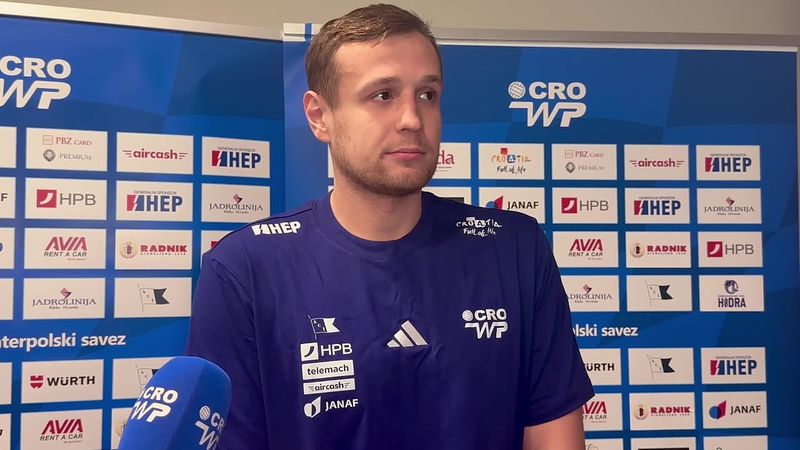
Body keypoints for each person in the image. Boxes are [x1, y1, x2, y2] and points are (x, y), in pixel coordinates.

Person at [186, 4, 593, 449]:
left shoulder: (514, 250)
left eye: (427, 94)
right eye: (383, 95)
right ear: (319, 116)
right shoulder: (243, 270)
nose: (412, 119)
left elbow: (554, 434)